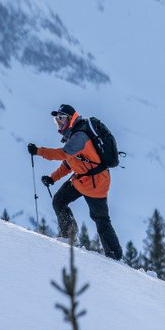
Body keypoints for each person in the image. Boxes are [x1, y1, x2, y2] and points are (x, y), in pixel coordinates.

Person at [28, 103, 122, 260]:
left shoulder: (80, 136)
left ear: (71, 119)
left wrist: (38, 151)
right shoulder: (73, 135)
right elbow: (70, 163)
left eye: (62, 119)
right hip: (81, 180)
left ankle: (115, 256)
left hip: (96, 183)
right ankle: (69, 236)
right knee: (59, 201)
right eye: (57, 120)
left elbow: (63, 154)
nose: (59, 123)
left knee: (101, 220)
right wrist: (53, 178)